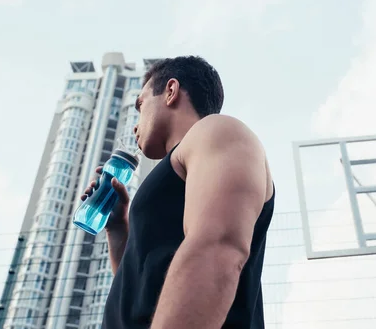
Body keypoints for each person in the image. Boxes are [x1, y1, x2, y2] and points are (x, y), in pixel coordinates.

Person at [80, 56, 275, 329]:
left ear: (170, 91)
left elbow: (217, 250)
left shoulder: (218, 131)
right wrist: (119, 230)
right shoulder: (177, 171)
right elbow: (142, 291)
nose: (135, 125)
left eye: (141, 105)